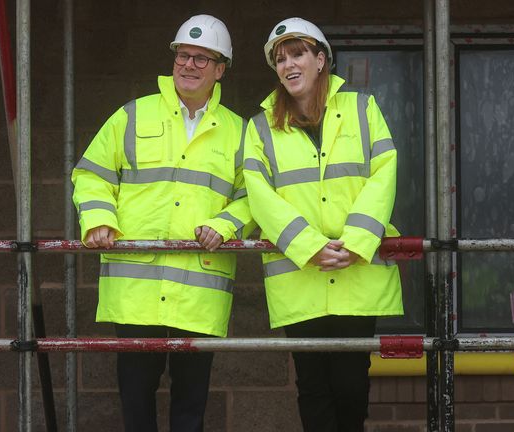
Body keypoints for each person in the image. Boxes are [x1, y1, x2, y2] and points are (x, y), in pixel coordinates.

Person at [71, 14, 252, 432]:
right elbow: (92, 173)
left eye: (201, 59)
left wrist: (226, 223)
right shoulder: (132, 116)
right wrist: (98, 218)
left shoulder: (239, 133)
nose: (188, 65)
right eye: (182, 56)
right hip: (137, 289)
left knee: (191, 406)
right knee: (135, 402)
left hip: (199, 293)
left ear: (221, 68)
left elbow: (253, 197)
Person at [242, 17, 403, 432]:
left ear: (320, 59)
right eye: (280, 59)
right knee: (312, 386)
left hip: (357, 272)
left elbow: (384, 172)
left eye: (297, 54)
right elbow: (259, 192)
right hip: (300, 277)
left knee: (351, 385)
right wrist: (308, 245)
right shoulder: (260, 126)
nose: (289, 65)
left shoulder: (363, 108)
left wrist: (357, 240)